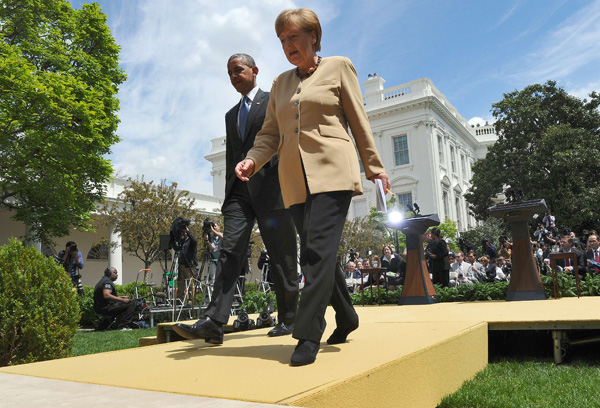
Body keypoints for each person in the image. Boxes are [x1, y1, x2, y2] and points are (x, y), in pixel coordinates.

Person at [235, 8, 390, 366]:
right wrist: (252, 160)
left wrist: (375, 168)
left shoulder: (339, 66)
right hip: (294, 181)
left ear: (313, 37)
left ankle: (307, 333)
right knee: (320, 255)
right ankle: (348, 316)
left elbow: (358, 119)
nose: (288, 45)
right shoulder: (280, 83)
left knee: (316, 252)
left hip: (333, 172)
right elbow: (269, 134)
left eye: (294, 37)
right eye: (283, 40)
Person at [173, 53, 300, 344]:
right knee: (230, 252)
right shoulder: (231, 115)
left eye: (238, 70)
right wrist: (230, 192)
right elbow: (234, 155)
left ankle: (290, 317)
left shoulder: (273, 98)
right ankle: (214, 322)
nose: (233, 76)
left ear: (254, 70)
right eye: (229, 73)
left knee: (282, 256)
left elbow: (284, 139)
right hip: (239, 195)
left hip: (273, 189)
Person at [176, 226, 198, 303]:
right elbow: (177, 247)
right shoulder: (182, 241)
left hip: (189, 265)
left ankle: (190, 300)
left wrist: (188, 231)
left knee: (190, 283)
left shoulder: (191, 241)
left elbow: (195, 240)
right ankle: (179, 299)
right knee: (180, 283)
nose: (184, 232)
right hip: (182, 264)